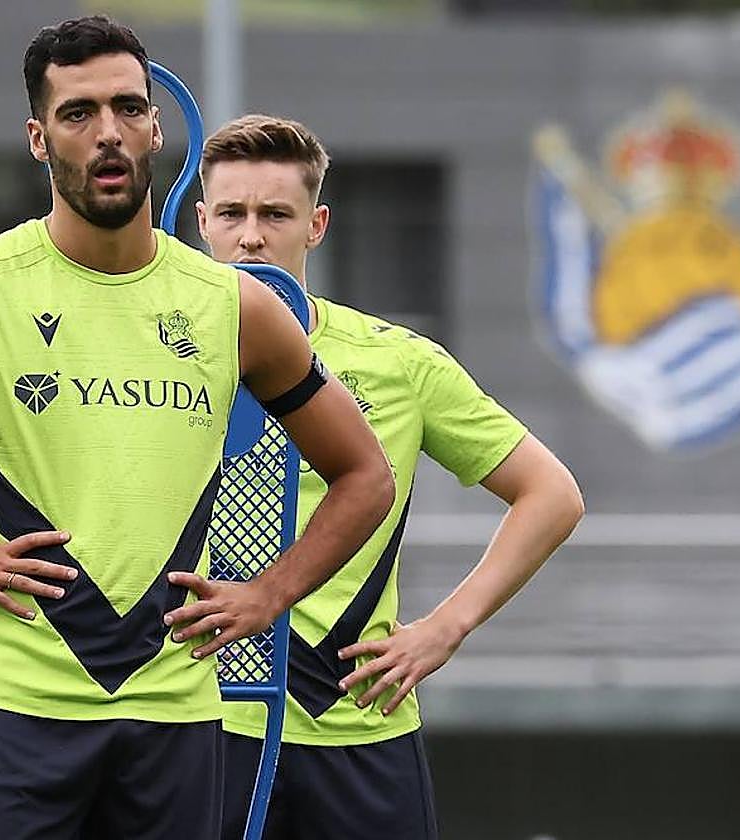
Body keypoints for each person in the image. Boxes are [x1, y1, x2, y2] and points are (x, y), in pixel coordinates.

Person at [0, 19, 394, 840]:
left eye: (128, 107)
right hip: (16, 711)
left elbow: (366, 475)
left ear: (157, 127)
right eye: (79, 113)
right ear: (38, 138)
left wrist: (271, 592)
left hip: (177, 721)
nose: (109, 132)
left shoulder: (237, 307)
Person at [197, 114, 585, 840]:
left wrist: (446, 628)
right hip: (203, 727)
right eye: (232, 214)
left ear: (315, 225)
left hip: (363, 733)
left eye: (274, 214)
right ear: (201, 223)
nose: (251, 235)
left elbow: (552, 495)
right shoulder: (157, 360)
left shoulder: (398, 361)